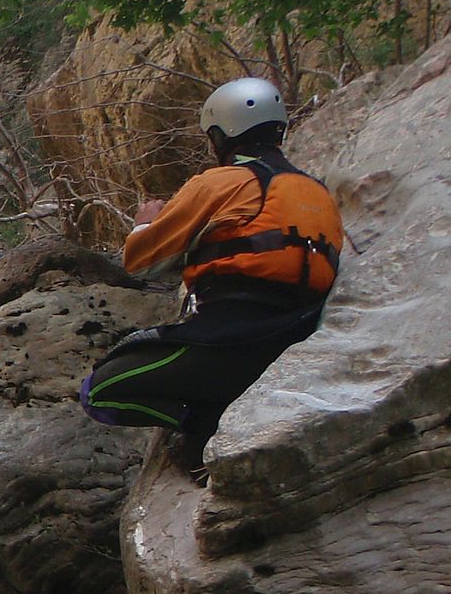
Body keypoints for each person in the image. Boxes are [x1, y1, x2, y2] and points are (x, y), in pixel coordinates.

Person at [79, 76, 344, 479]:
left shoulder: (220, 182)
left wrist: (144, 225)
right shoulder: (318, 192)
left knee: (97, 391)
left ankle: (202, 423)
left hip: (227, 341)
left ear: (222, 135)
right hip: (297, 337)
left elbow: (141, 262)